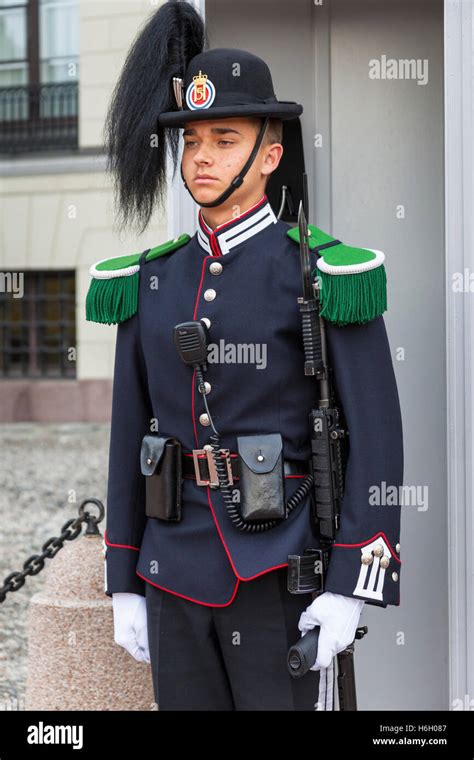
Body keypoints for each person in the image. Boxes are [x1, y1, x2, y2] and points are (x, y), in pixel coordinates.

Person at [86, 0, 403, 711]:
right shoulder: (150, 281)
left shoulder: (323, 274)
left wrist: (354, 583)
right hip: (172, 576)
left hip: (281, 571)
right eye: (191, 140)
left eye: (224, 139)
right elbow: (126, 438)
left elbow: (378, 443)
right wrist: (123, 579)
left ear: (269, 154)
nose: (200, 157)